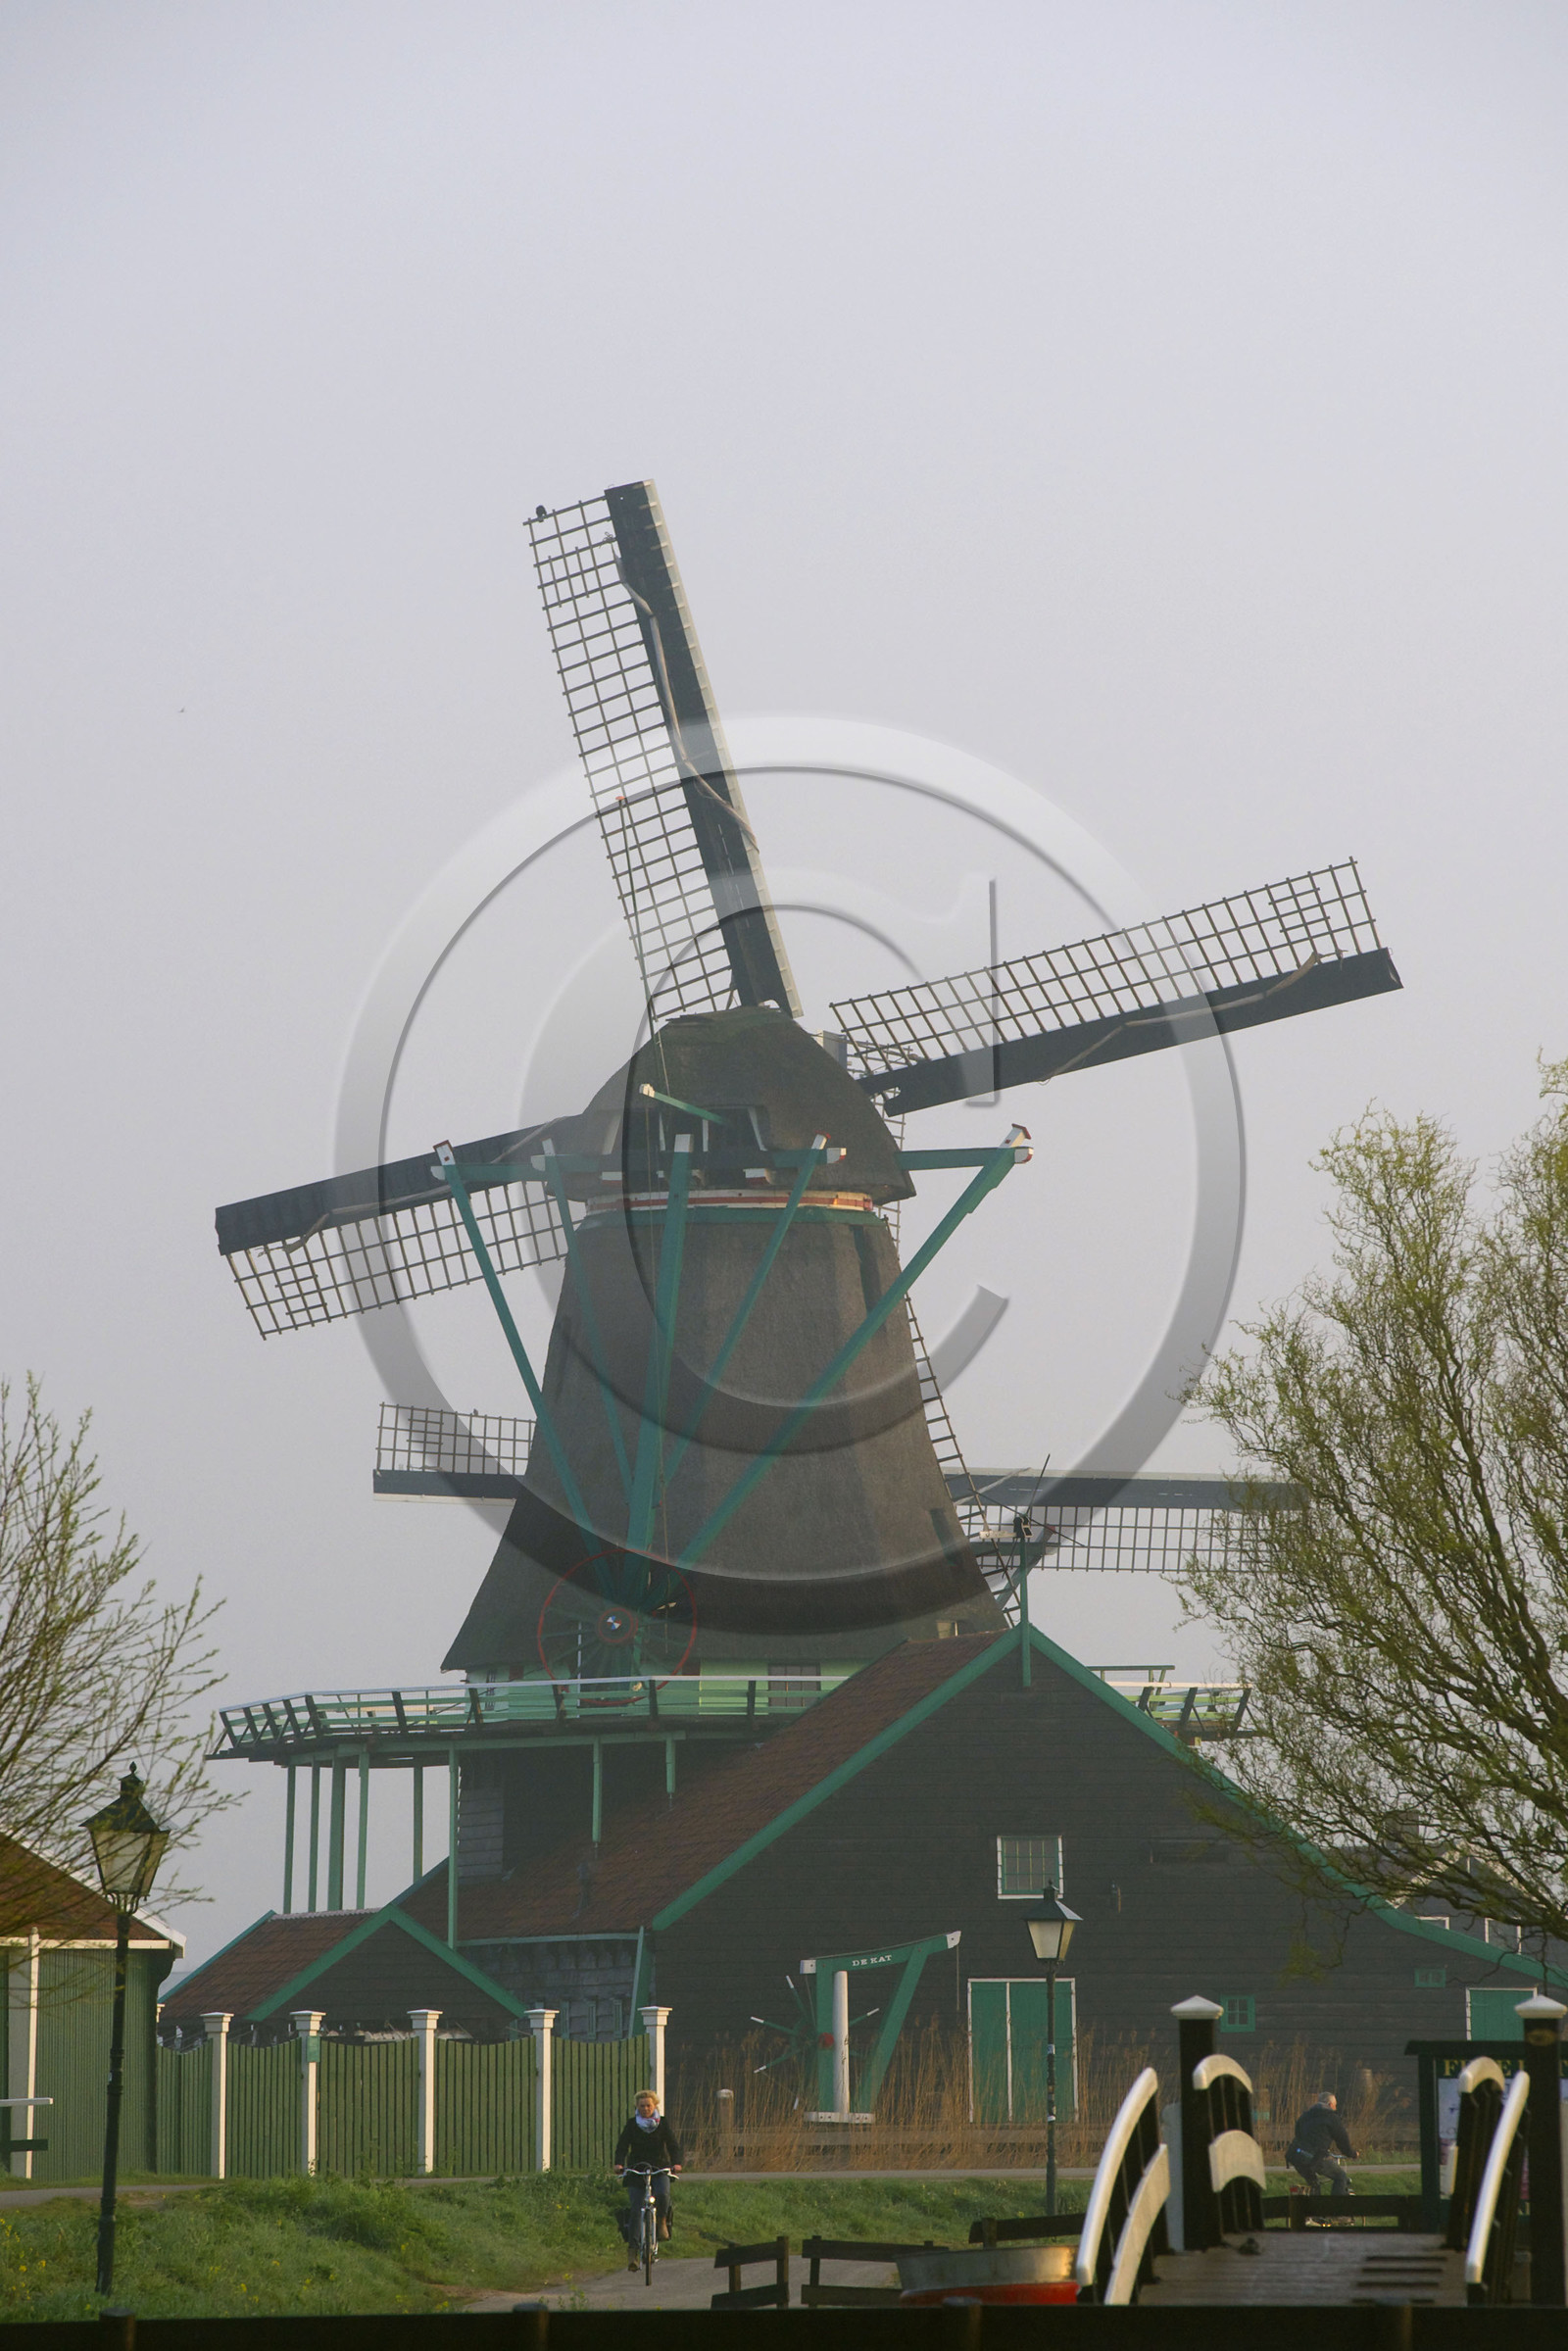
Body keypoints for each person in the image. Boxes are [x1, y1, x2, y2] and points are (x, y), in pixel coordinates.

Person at [614, 2089, 683, 2268]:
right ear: (637, 2107)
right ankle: (633, 2253)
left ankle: (661, 2222)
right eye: (642, 2106)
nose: (645, 2109)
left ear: (655, 2106)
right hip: (637, 2170)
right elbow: (622, 2146)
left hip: (659, 2168)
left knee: (663, 2194)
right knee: (637, 2209)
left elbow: (673, 2145)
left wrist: (676, 2163)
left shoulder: (662, 2124)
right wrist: (619, 2164)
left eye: (648, 2105)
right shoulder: (632, 2125)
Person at [1289, 2090, 1357, 2196]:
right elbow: (1342, 2141)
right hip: (1314, 2157)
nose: (1336, 2108)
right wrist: (1352, 2154)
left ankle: (1315, 2210)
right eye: (1335, 2105)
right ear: (1330, 2105)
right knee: (1341, 2177)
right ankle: (1336, 2209)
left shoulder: (1305, 2116)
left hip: (1295, 2156)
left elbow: (1298, 2133)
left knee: (1314, 2184)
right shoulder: (1332, 2118)